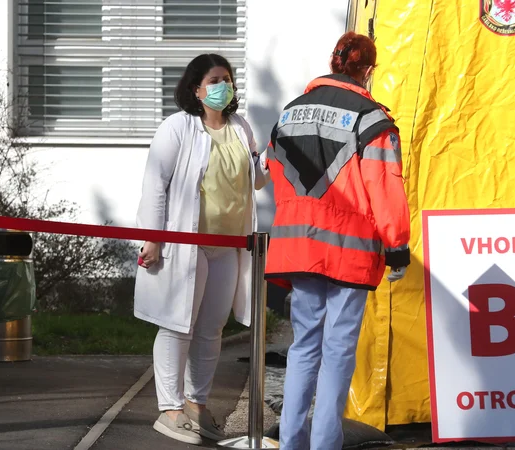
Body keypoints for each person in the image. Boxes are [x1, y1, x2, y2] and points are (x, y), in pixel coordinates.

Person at [263, 32, 411, 450]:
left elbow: (276, 173)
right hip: (350, 252)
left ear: (333, 62)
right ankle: (325, 444)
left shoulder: (289, 113)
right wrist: (397, 246)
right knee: (337, 353)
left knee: (303, 347)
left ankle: (292, 442)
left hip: (298, 248)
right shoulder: (372, 120)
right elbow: (384, 188)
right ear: (367, 70)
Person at [133, 54, 269, 445]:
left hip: (227, 247)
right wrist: (153, 238)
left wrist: (272, 156)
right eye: (214, 79)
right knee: (177, 324)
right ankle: (169, 408)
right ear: (196, 88)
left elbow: (255, 180)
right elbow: (155, 185)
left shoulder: (241, 127)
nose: (223, 85)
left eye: (227, 78)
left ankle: (196, 403)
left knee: (212, 329)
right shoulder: (177, 128)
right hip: (186, 245)